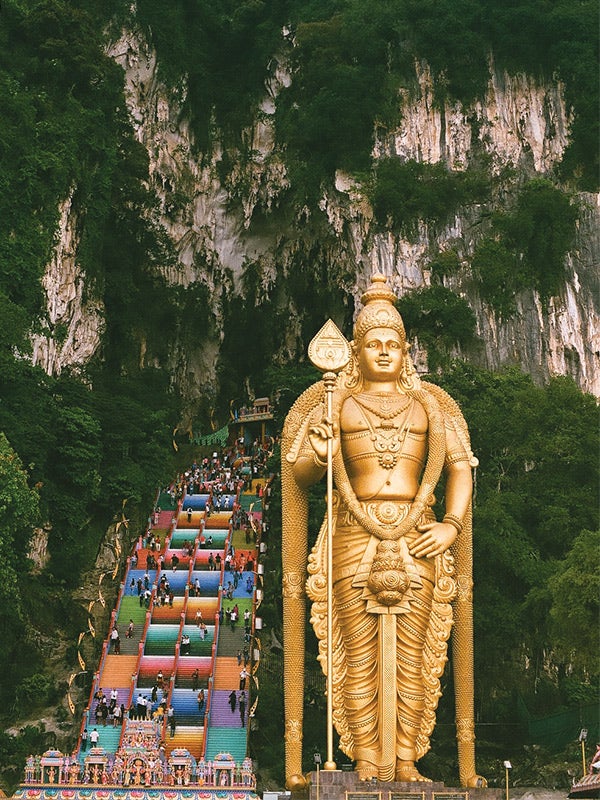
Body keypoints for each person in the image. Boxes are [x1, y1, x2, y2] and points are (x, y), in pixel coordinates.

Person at [282, 274, 483, 787]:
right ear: (356, 348)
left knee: (415, 654)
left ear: (406, 348)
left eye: (394, 343)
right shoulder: (334, 402)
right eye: (374, 343)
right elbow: (300, 472)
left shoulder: (429, 405)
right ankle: (368, 759)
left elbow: (461, 467)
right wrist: (322, 451)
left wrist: (452, 527)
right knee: (359, 652)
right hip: (353, 530)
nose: (385, 352)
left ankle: (406, 759)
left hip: (419, 533)